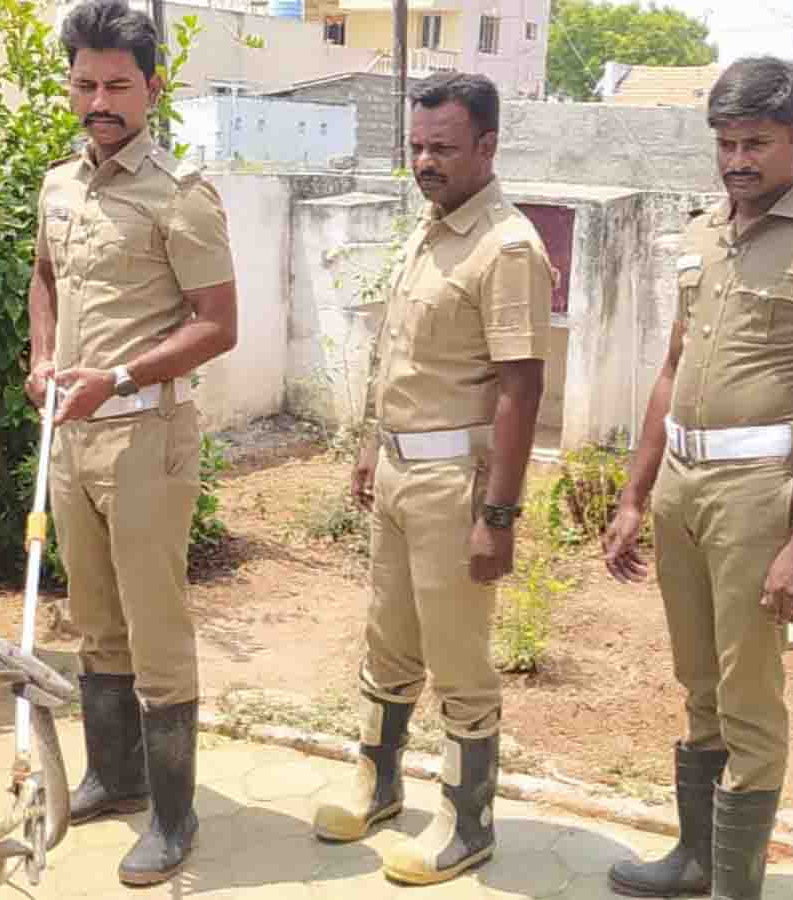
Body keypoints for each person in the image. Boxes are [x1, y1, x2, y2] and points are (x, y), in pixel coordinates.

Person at [602, 57, 793, 900]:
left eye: (755, 143)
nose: (737, 159)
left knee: (749, 691)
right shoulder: (704, 232)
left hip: (758, 490)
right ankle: (697, 858)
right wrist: (635, 494)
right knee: (698, 678)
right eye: (725, 143)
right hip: (682, 480)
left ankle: (737, 885)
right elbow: (671, 367)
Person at [311, 73, 553, 886]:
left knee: (458, 659)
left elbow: (522, 386)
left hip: (457, 482)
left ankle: (466, 822)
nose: (425, 161)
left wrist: (500, 514)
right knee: (387, 641)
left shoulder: (506, 246)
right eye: (417, 146)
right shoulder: (431, 230)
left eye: (442, 148)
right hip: (400, 471)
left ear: (487, 146)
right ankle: (376, 787)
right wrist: (371, 446)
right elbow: (402, 360)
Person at [23, 0, 238, 885]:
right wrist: (43, 358)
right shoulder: (59, 184)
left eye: (118, 85)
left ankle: (176, 817)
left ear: (154, 87)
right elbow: (44, 278)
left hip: (146, 437)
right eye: (85, 84)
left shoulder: (181, 195)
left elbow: (219, 324)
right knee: (95, 621)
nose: (99, 102)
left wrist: (115, 379)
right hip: (67, 441)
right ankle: (114, 774)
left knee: (155, 627)